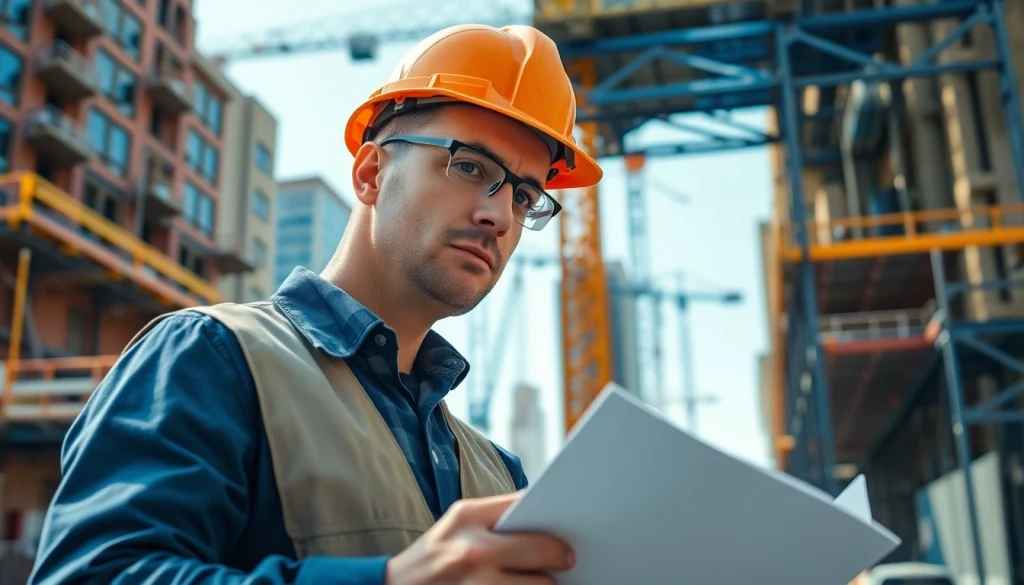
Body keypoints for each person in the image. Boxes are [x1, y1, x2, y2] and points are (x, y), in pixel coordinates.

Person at [28, 22, 602, 585]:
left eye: (524, 196)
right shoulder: (213, 358)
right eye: (471, 167)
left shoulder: (501, 475)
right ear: (372, 174)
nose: (499, 215)